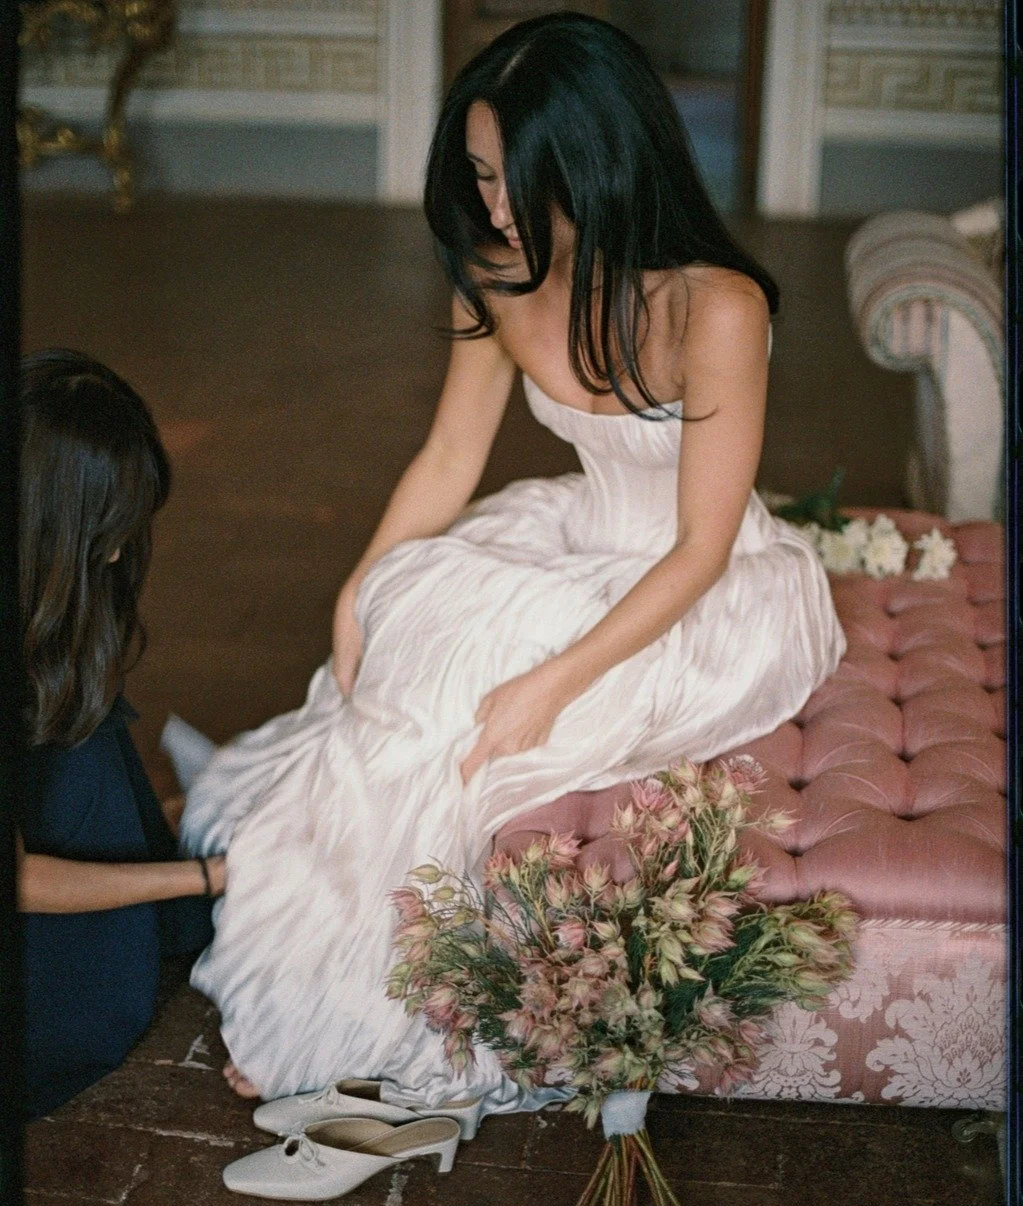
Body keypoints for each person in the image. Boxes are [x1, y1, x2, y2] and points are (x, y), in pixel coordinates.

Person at [180, 13, 846, 1111]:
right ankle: (301, 939)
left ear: (591, 161)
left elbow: (701, 549)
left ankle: (362, 1003)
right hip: (577, 533)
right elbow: (447, 458)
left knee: (476, 729)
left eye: (512, 179)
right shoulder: (495, 277)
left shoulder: (714, 306)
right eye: (479, 175)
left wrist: (553, 680)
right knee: (401, 639)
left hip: (700, 594)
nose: (490, 205)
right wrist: (358, 585)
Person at [16, 349, 223, 1120]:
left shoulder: (51, 590)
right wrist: (207, 877)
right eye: (109, 526)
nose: (118, 548)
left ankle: (183, 834)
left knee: (86, 722)